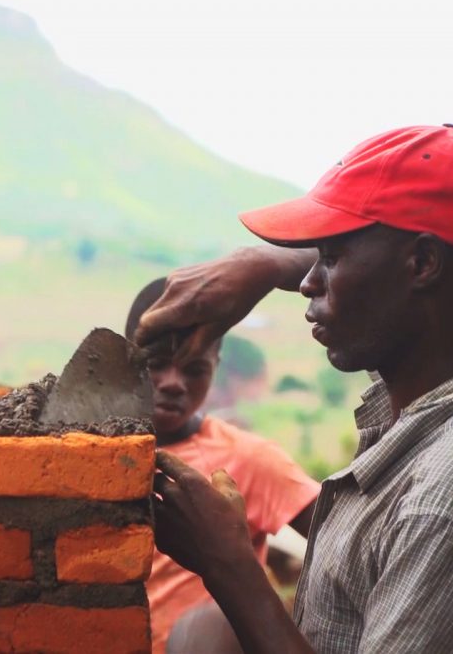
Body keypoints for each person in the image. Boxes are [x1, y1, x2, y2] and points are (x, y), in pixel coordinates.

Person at [134, 124, 453, 653]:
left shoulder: (448, 499)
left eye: (330, 257)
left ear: (424, 264)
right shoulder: (439, 393)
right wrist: (266, 266)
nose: (308, 282)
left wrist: (228, 565)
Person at [125, 278, 319, 654]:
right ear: (124, 358)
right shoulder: (91, 455)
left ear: (215, 366)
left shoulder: (249, 459)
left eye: (194, 369)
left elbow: (347, 536)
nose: (173, 383)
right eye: (156, 365)